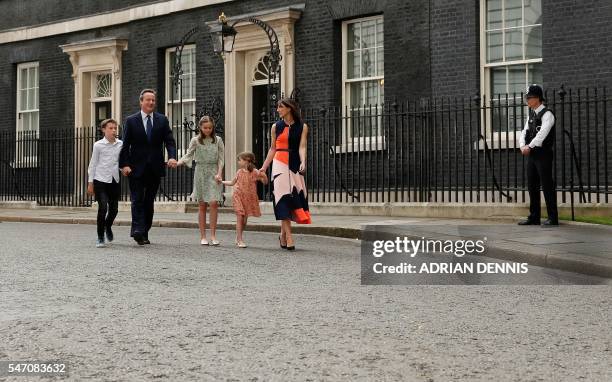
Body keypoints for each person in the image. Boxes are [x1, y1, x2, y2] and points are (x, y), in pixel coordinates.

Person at [119, 89, 177, 245]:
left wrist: (172, 156)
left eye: (153, 100)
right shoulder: (131, 120)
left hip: (155, 167)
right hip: (135, 167)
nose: (151, 102)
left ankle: (144, 231)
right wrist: (124, 165)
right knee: (137, 199)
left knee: (149, 201)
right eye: (148, 100)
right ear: (141, 102)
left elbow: (169, 141)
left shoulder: (162, 120)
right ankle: (137, 230)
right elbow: (125, 145)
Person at [259, 98, 311, 251]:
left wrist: (303, 161)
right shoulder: (276, 126)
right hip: (279, 164)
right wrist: (264, 167)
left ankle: (282, 234)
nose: (277, 110)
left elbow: (302, 147)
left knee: (293, 197)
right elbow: (272, 149)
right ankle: (289, 237)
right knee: (283, 198)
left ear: (289, 108)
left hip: (294, 164)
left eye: (280, 107)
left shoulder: (303, 127)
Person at [177, 116, 225, 246]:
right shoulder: (195, 140)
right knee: (202, 204)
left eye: (210, 127)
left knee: (214, 202)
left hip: (214, 172)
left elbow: (221, 159)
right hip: (200, 172)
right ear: (200, 128)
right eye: (205, 128)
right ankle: (203, 236)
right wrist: (178, 163)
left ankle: (213, 235)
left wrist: (219, 172)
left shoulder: (218, 140)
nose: (208, 130)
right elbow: (189, 155)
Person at [518, 84, 559, 226]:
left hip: (543, 154)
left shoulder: (547, 114)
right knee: (531, 185)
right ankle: (534, 216)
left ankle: (553, 217)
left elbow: (542, 134)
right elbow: (524, 132)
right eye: (526, 98)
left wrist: (530, 146)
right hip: (532, 155)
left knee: (547, 185)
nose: (527, 101)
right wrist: (522, 145)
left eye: (529, 98)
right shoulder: (531, 114)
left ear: (538, 98)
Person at [87, 118, 123, 248]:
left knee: (114, 209)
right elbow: (93, 164)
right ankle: (100, 236)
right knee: (103, 208)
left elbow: (120, 162)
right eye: (110, 128)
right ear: (103, 130)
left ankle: (108, 226)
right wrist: (90, 183)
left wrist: (123, 168)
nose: (114, 130)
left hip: (114, 180)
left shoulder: (120, 144)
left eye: (115, 128)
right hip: (100, 180)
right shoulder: (98, 145)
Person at [222, 152, 268, 248]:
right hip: (238, 196)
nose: (238, 162)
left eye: (240, 160)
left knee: (244, 221)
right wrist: (221, 182)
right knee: (240, 216)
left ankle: (238, 236)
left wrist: (264, 175)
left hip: (248, 198)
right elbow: (232, 182)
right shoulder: (239, 172)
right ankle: (239, 240)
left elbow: (265, 182)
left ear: (247, 160)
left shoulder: (255, 172)